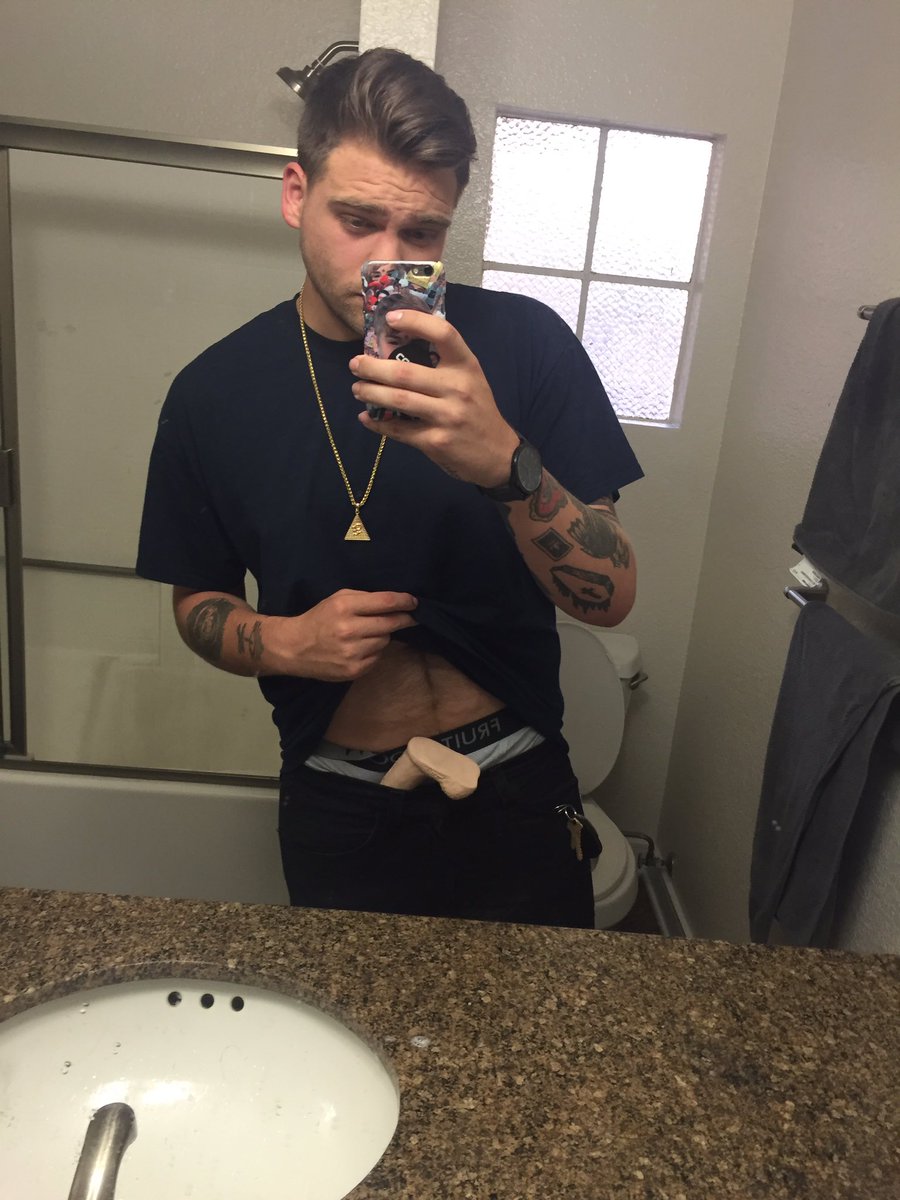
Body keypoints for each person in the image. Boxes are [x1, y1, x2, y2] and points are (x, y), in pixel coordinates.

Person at [136, 47, 643, 928]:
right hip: (342, 802)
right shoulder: (213, 392)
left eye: (422, 233)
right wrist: (284, 642)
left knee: (544, 1019)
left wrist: (506, 463)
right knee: (349, 1019)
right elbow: (197, 600)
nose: (387, 261)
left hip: (519, 781)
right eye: (358, 220)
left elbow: (613, 597)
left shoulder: (526, 345)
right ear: (296, 194)